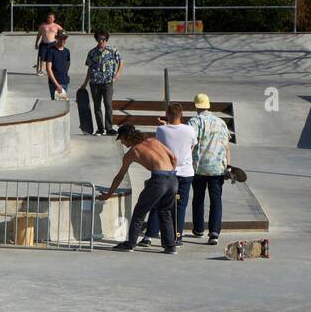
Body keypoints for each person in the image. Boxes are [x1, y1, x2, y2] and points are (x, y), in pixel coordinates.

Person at [98, 125, 179, 253]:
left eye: (122, 139)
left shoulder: (133, 152)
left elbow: (120, 176)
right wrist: (169, 174)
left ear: (127, 137)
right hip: (173, 179)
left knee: (139, 212)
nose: (122, 143)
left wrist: (109, 194)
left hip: (159, 180)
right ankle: (170, 246)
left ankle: (130, 244)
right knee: (165, 212)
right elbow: (173, 158)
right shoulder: (153, 141)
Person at [139, 103, 196, 247]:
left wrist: (165, 124)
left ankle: (149, 236)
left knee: (159, 203)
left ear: (168, 114)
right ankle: (177, 237)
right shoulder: (190, 130)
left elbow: (161, 144)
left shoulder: (161, 130)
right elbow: (192, 146)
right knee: (180, 205)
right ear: (181, 115)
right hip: (186, 172)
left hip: (167, 172)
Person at [189, 92, 231, 246]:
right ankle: (214, 232)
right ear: (208, 105)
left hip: (199, 167)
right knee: (216, 200)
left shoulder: (195, 121)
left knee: (198, 198)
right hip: (218, 168)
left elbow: (189, 142)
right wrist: (228, 166)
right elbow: (227, 147)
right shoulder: (221, 122)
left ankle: (198, 229)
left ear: (195, 106)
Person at [79, 30, 123, 136]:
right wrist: (85, 83)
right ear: (97, 39)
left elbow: (121, 61)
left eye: (103, 39)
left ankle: (109, 128)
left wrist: (117, 74)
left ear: (106, 39)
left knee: (108, 104)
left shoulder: (113, 50)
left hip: (107, 82)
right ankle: (100, 128)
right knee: (97, 106)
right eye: (99, 39)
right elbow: (89, 68)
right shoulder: (92, 52)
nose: (101, 41)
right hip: (95, 82)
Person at [46, 30, 71, 100]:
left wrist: (65, 73)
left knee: (63, 105)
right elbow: (48, 69)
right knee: (56, 106)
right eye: (61, 38)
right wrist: (57, 85)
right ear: (56, 38)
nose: (63, 40)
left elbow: (68, 63)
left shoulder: (67, 51)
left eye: (65, 38)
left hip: (65, 81)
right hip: (55, 83)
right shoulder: (51, 51)